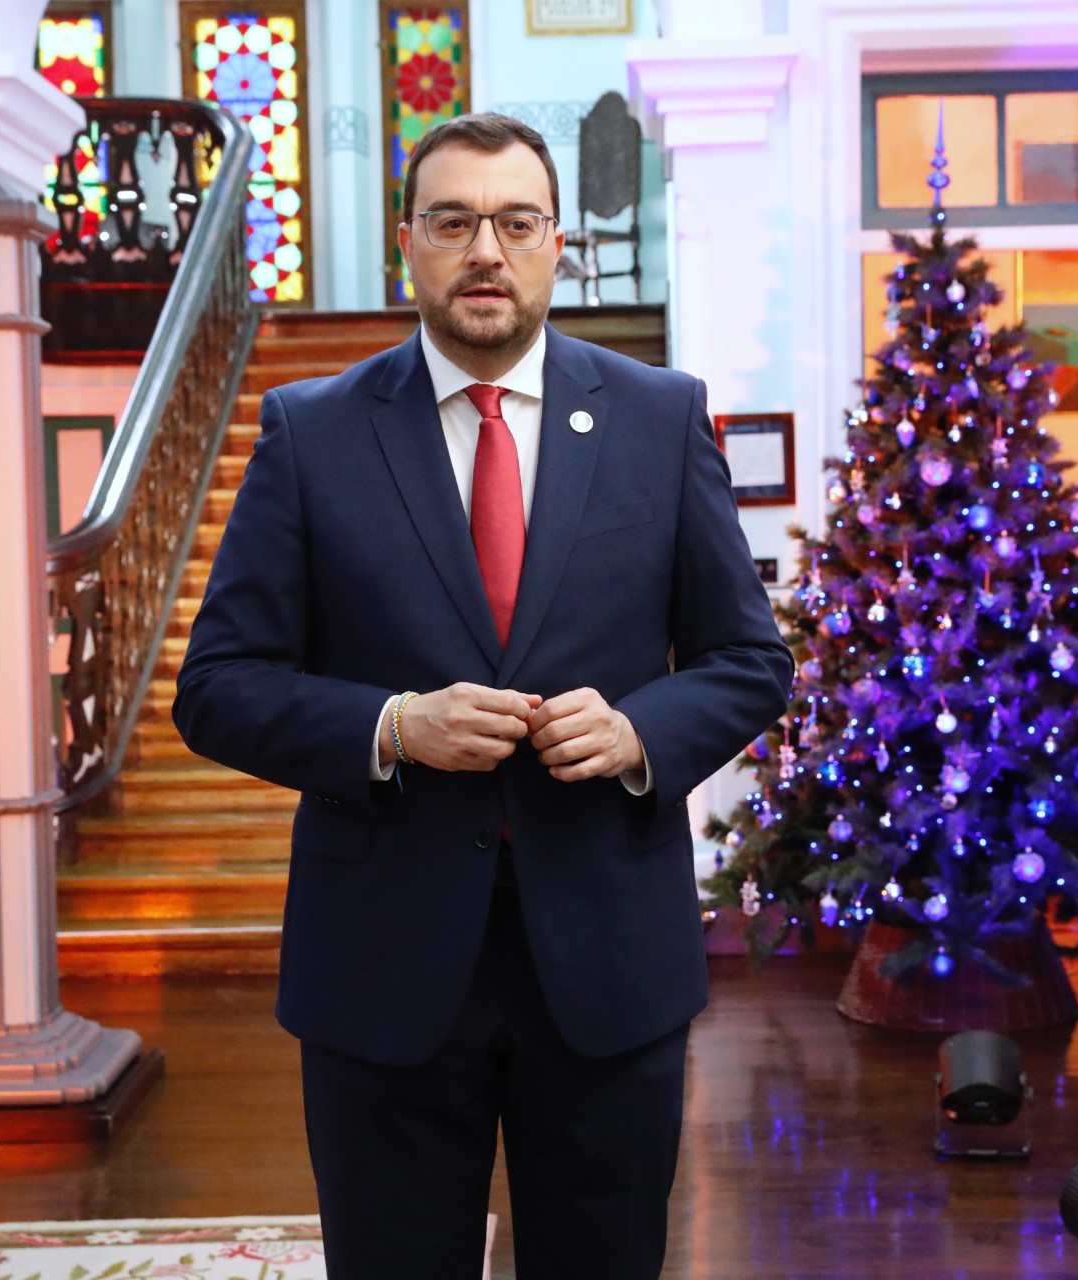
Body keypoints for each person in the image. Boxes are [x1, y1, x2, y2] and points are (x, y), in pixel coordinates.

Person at [172, 112, 792, 1280]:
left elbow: (749, 658)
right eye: (453, 222)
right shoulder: (313, 431)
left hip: (608, 957)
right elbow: (217, 687)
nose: (486, 252)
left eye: (515, 222)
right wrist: (390, 725)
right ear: (407, 241)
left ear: (558, 244)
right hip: (383, 962)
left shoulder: (660, 417)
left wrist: (637, 730)